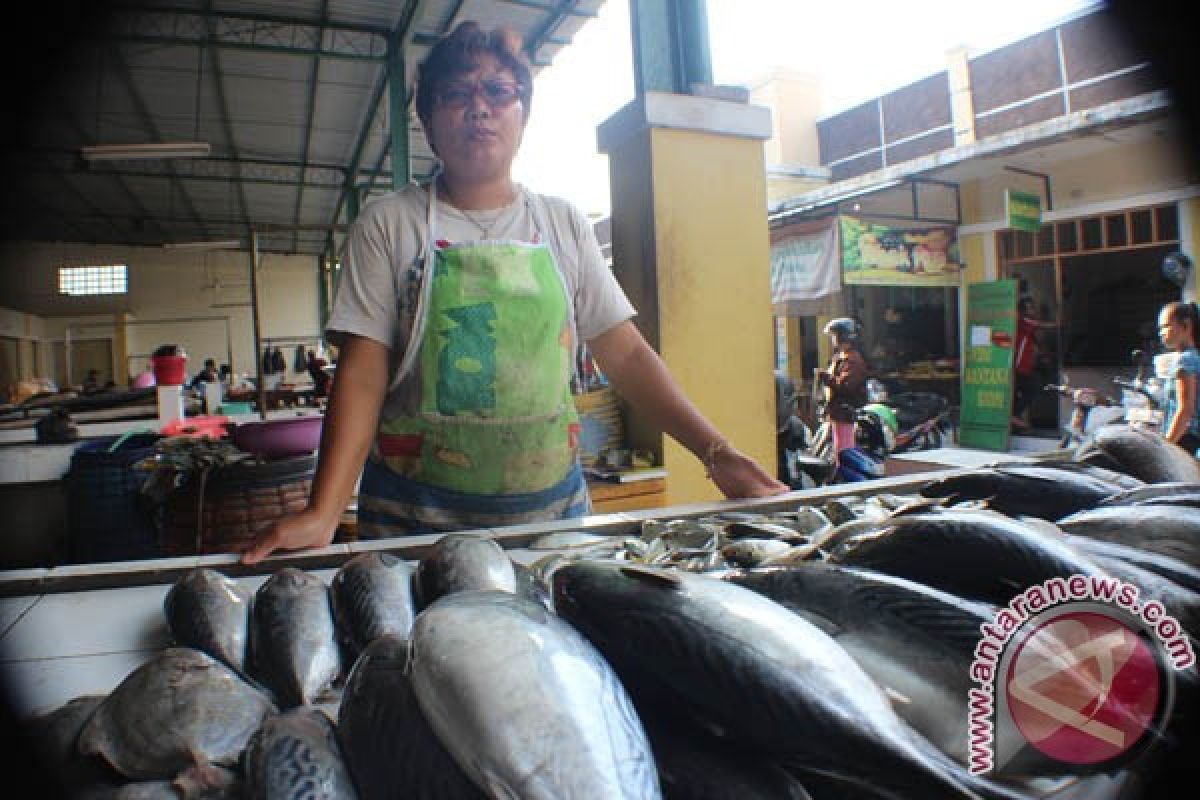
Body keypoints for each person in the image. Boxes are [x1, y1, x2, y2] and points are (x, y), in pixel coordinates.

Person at [239, 22, 785, 564]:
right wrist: (324, 511)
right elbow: (362, 374)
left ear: (523, 116)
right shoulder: (389, 225)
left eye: (499, 92)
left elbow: (627, 354)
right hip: (415, 531)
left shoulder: (562, 224)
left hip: (551, 528)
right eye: (456, 95)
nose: (479, 108)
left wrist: (718, 454)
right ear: (427, 123)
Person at [817, 317, 869, 462]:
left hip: (846, 414)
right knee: (839, 451)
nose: (833, 340)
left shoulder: (853, 360)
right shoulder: (841, 357)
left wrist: (825, 377)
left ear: (842, 336)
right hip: (838, 413)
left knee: (845, 452)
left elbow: (846, 386)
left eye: (835, 336)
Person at [1157, 301, 1200, 454]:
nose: (1161, 333)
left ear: (1186, 326)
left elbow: (1185, 410)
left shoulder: (1185, 361)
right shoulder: (1194, 357)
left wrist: (1165, 448)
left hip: (1186, 440)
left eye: (1166, 326)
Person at [1012, 296, 1057, 432]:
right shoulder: (1023, 322)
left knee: (1026, 391)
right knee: (1032, 390)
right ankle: (1013, 415)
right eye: (1029, 307)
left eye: (1032, 307)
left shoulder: (1026, 325)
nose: (1032, 310)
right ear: (1022, 310)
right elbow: (1044, 325)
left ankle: (1016, 420)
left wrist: (1044, 355)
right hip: (1019, 367)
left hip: (1025, 367)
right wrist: (1058, 322)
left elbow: (1036, 342)